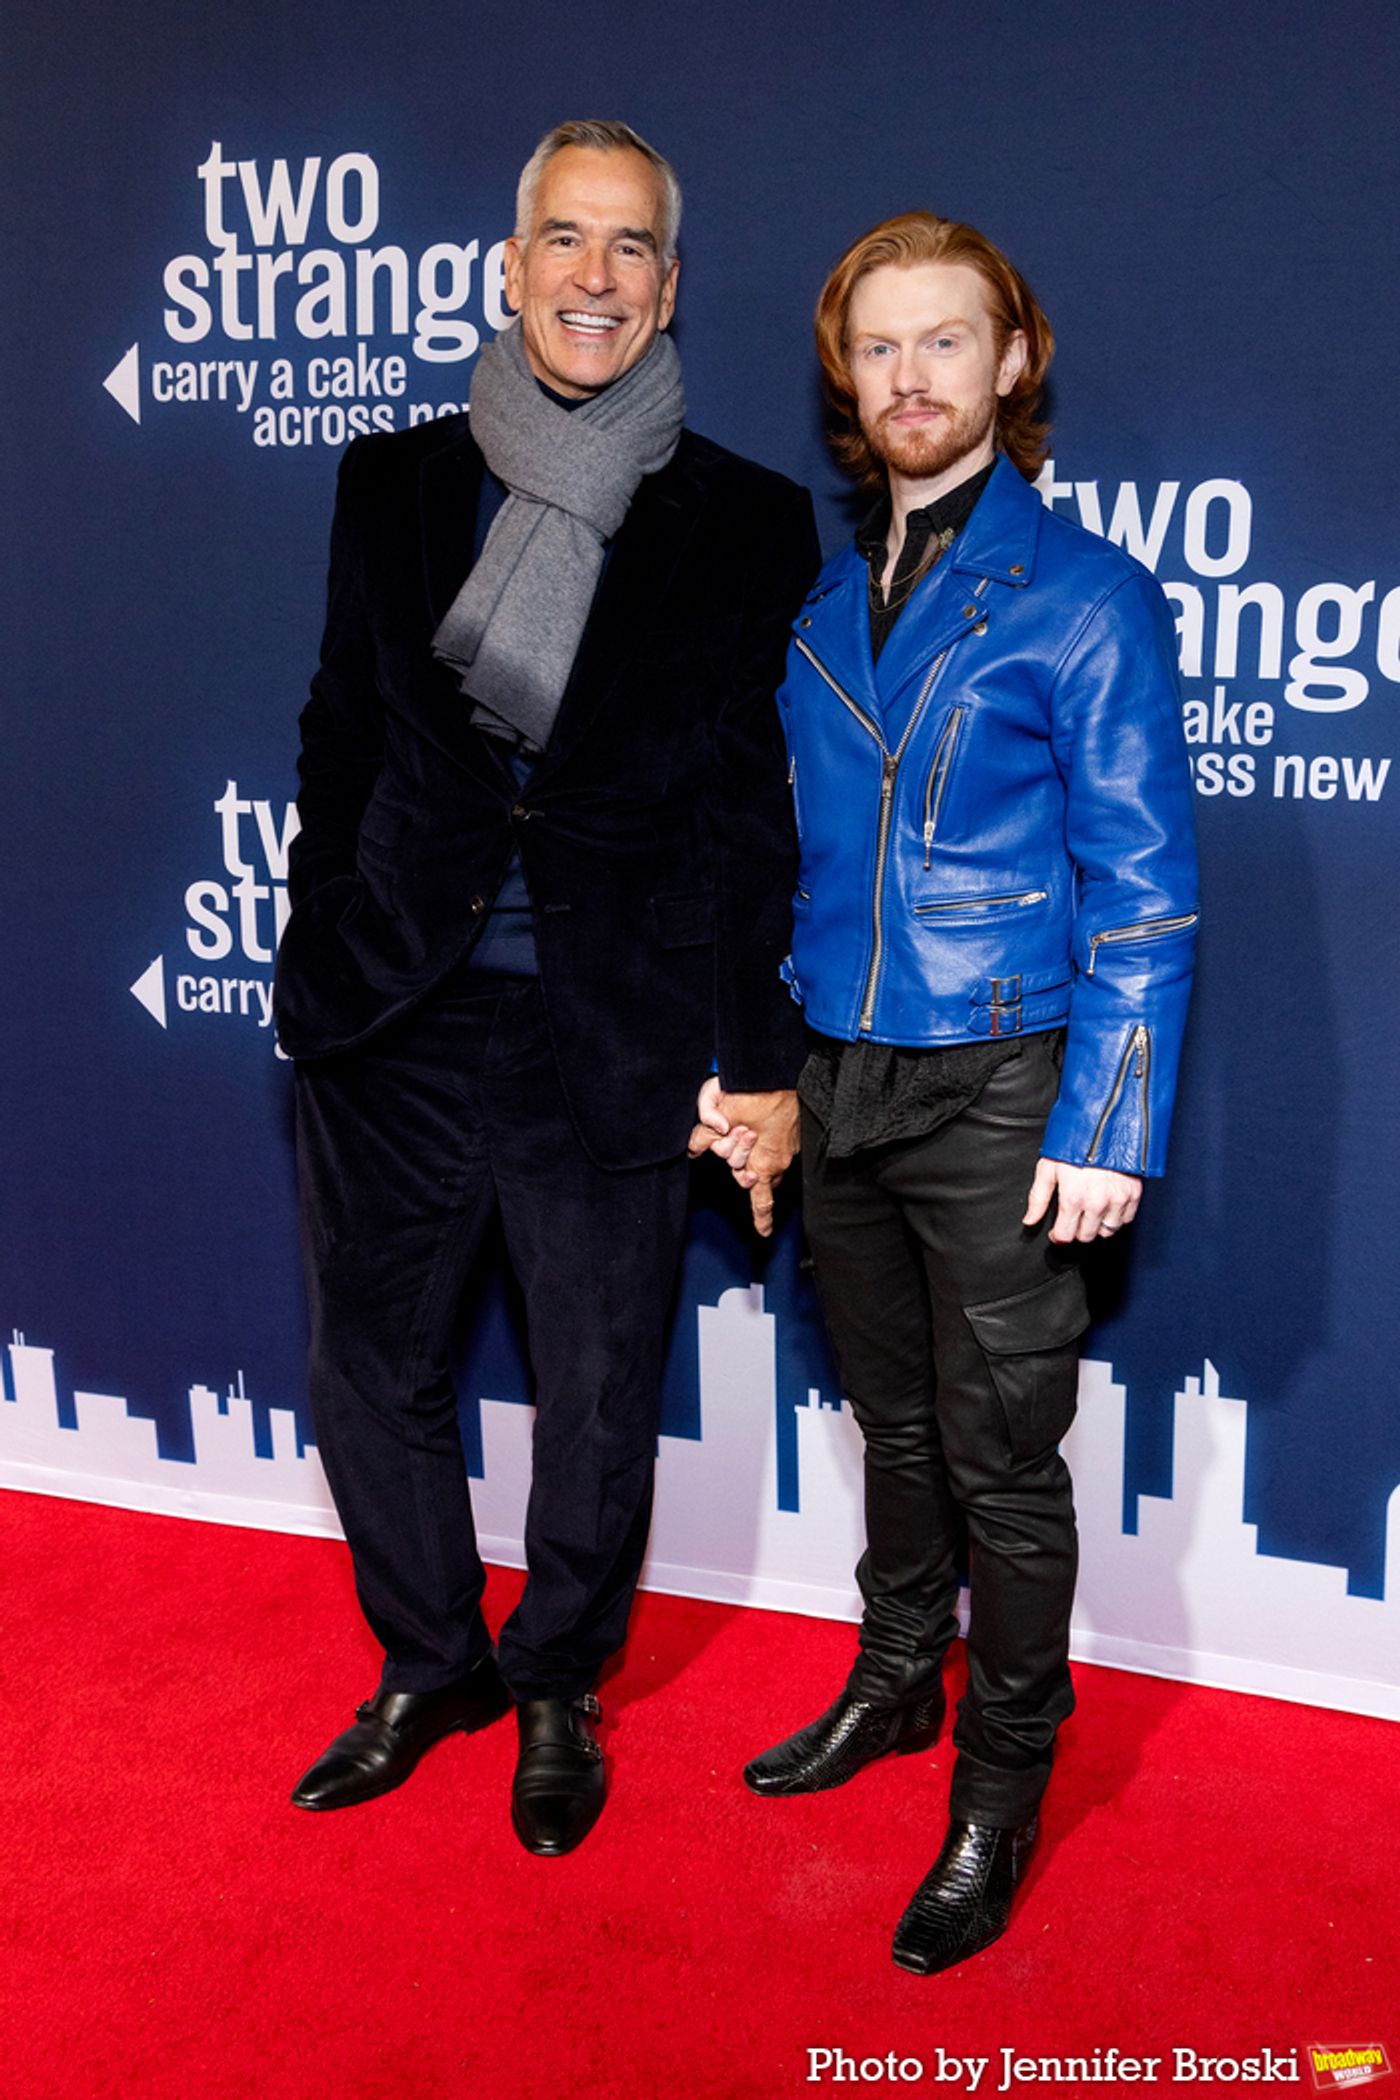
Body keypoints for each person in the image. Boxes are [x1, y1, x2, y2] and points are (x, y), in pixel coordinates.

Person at [273, 120, 818, 1856]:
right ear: (511, 269)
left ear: (669, 288)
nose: (595, 275)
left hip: (610, 1026)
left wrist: (760, 1053)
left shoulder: (746, 519)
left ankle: (559, 1680)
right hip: (395, 1013)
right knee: (370, 1366)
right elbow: (343, 731)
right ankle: (430, 1661)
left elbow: (752, 811)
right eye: (566, 240)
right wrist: (316, 942)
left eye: (631, 246)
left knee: (595, 1391)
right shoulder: (394, 482)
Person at [699, 211, 1197, 1970]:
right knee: (891, 1421)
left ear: (1014, 359)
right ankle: (897, 1677)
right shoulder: (820, 607)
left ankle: (1001, 1787)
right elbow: (787, 866)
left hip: (1003, 1076)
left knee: (1003, 1461)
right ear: (849, 379)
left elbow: (1144, 880)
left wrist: (1107, 1119)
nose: (911, 375)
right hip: (843, 1073)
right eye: (879, 346)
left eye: (946, 339)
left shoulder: (1086, 597)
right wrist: (769, 1079)